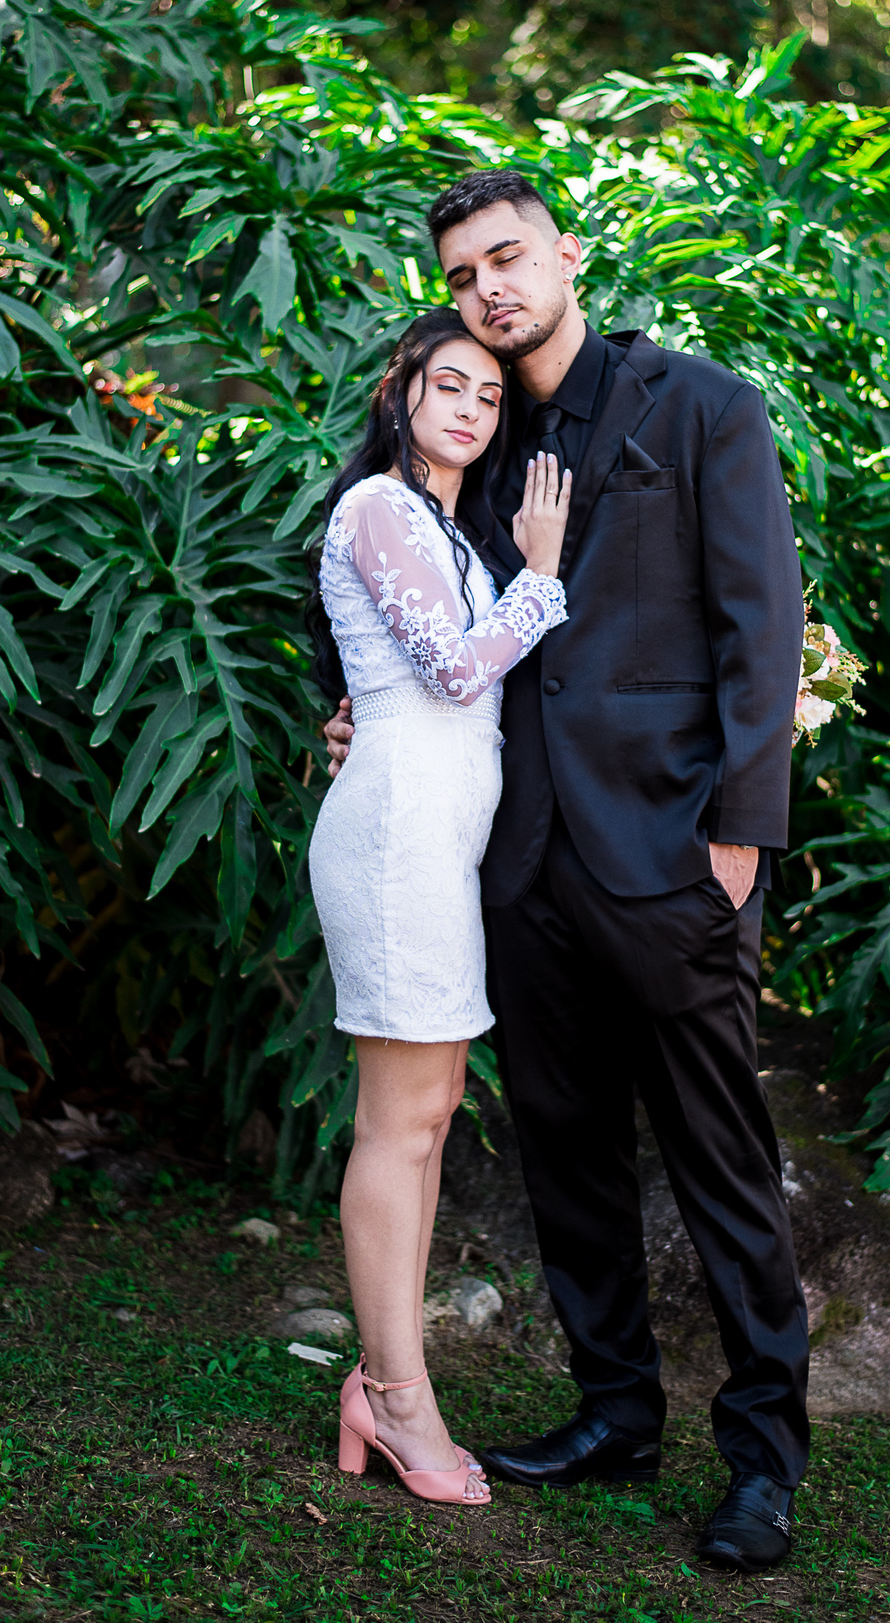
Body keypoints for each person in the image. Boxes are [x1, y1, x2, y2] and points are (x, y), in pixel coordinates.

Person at [324, 172, 809, 1572]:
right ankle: (615, 1412)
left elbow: (761, 621)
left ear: (565, 256)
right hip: (516, 857)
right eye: (462, 274)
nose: (488, 288)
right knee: (566, 1151)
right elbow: (388, 594)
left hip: (670, 852)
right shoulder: (470, 429)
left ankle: (762, 1458)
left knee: (722, 1158)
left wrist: (739, 832)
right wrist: (343, 712)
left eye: (507, 257)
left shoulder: (701, 405)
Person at [306, 307, 571, 1507]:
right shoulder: (377, 506)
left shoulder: (445, 530)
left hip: (438, 836)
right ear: (402, 388)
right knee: (398, 1121)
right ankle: (399, 1398)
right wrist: (544, 573)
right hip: (397, 839)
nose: (470, 408)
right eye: (449, 383)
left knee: (432, 1107)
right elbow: (456, 671)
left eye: (489, 396)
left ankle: (384, 1376)